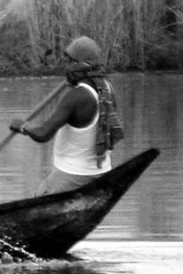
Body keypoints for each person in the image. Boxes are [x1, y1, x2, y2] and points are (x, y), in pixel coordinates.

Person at [10, 36, 126, 195]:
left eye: (69, 62)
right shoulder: (108, 89)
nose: (66, 67)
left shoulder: (76, 96)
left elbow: (43, 134)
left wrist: (22, 126)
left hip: (73, 175)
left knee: (40, 196)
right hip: (102, 171)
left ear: (80, 65)